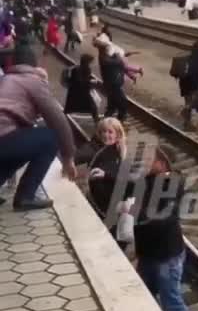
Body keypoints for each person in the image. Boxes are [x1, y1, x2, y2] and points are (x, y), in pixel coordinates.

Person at [133, 146, 196, 311]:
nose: (144, 163)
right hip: (148, 252)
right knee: (147, 295)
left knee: (172, 299)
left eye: (149, 160)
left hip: (166, 255)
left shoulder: (172, 185)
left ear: (162, 163)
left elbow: (166, 217)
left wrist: (138, 216)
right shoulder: (148, 180)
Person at [0, 65, 76, 211]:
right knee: (51, 137)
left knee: (21, 146)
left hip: (4, 137)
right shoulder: (35, 81)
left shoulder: (7, 79)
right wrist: (68, 156)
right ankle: (26, 197)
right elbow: (57, 119)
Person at [94, 39, 128, 122]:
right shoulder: (105, 59)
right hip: (113, 83)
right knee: (121, 100)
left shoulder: (104, 57)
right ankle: (121, 116)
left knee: (112, 100)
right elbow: (120, 62)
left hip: (111, 82)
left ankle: (110, 114)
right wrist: (118, 55)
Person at [64, 54, 100, 123]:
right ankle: (97, 122)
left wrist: (90, 80)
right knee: (93, 107)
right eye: (92, 62)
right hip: (82, 93)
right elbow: (81, 82)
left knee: (70, 107)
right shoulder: (86, 69)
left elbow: (78, 80)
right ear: (88, 62)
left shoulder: (76, 69)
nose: (93, 64)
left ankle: (63, 117)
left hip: (73, 92)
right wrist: (91, 82)